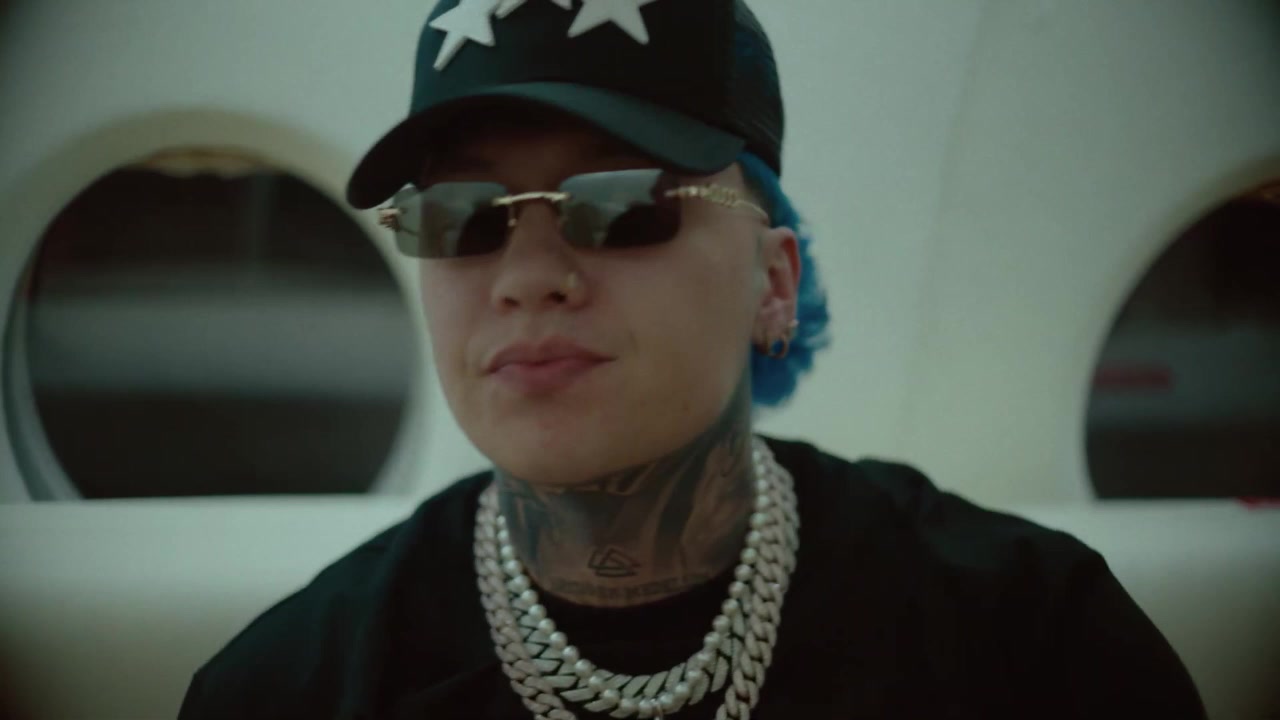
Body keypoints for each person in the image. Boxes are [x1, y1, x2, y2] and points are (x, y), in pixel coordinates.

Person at [178, 1, 1206, 718]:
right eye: (459, 218)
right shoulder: (290, 688)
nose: (528, 277)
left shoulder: (1033, 643)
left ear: (772, 283)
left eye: (621, 204)